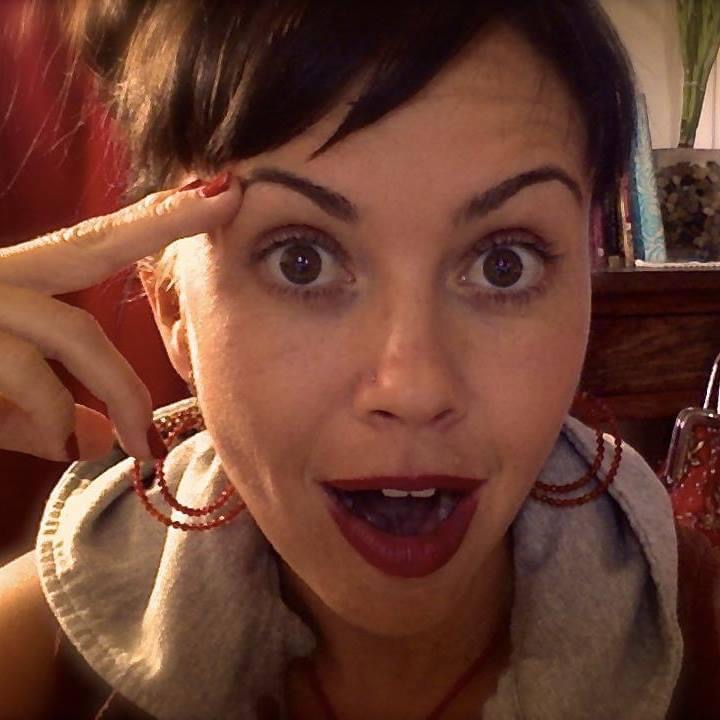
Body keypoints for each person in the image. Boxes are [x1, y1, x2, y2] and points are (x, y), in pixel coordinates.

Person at [0, 1, 718, 718]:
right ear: (174, 313)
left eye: (505, 265)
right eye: (301, 261)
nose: (413, 389)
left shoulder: (703, 636)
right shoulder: (41, 653)